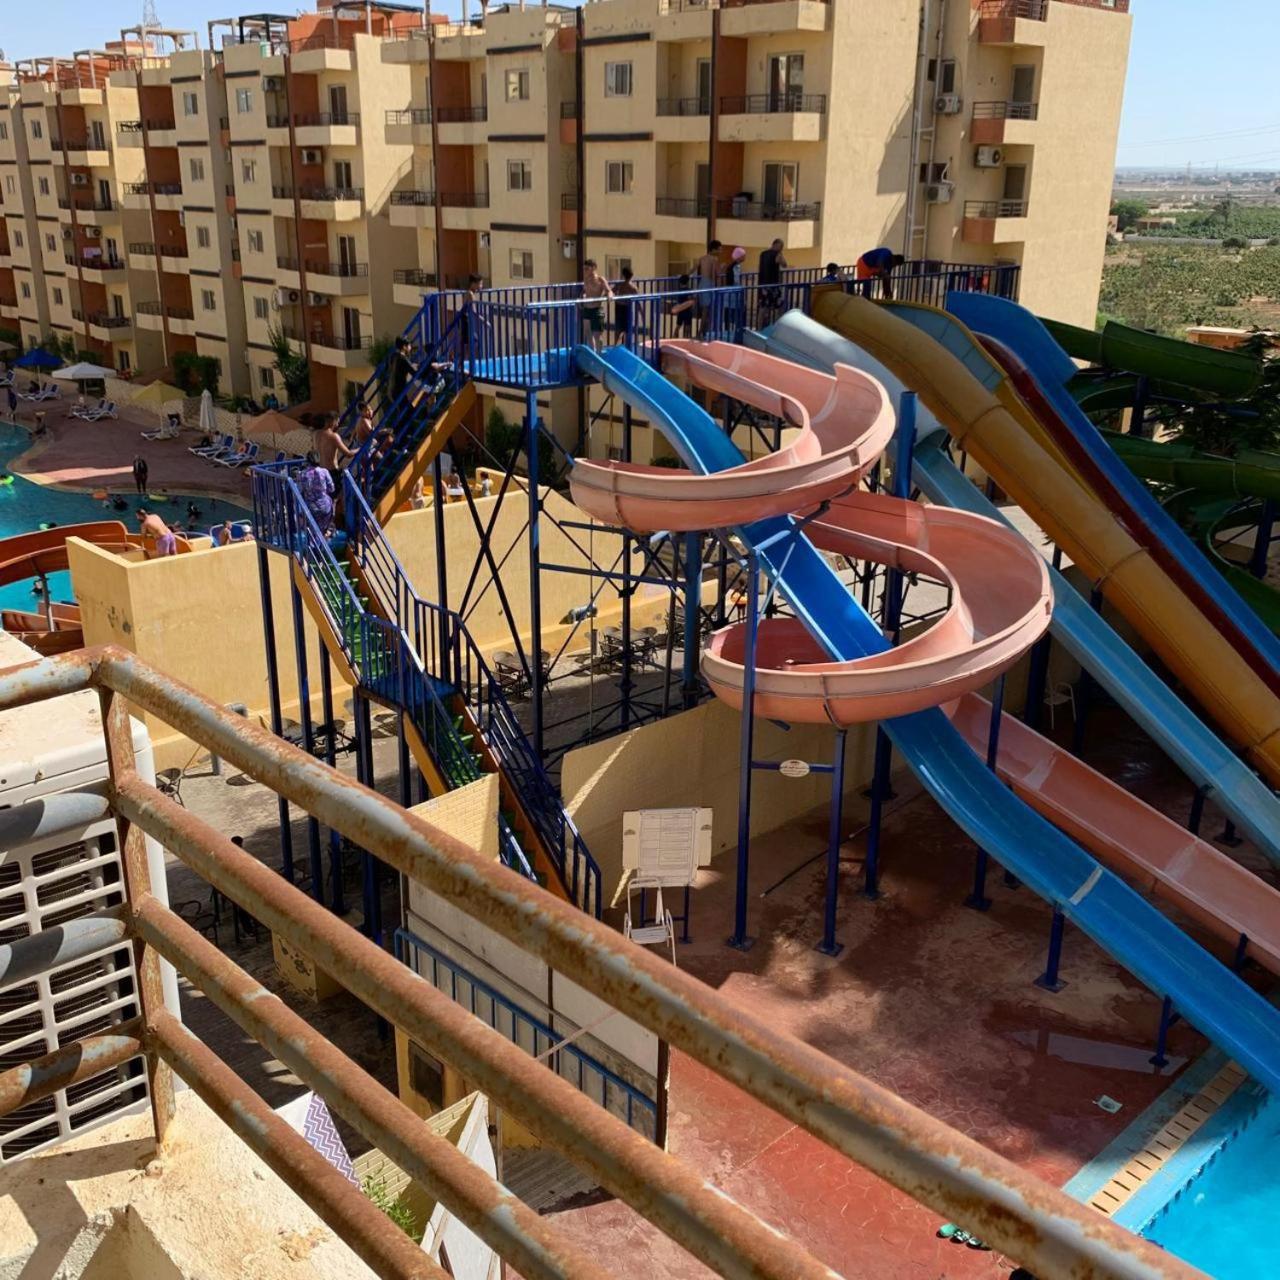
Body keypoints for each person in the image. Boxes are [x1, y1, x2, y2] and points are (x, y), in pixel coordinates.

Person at [297, 451, 336, 535]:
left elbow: (299, 491)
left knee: (311, 528)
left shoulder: (302, 474)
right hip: (325, 507)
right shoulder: (324, 472)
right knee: (322, 528)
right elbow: (332, 489)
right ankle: (325, 534)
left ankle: (314, 538)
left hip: (310, 508)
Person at [315, 413, 355, 490]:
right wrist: (360, 448)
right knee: (340, 493)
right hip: (332, 471)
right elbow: (348, 454)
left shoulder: (317, 434)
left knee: (327, 494)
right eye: (337, 422)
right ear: (333, 421)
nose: (338, 424)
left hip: (321, 471)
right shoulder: (334, 436)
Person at [581, 259, 613, 351]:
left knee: (597, 335)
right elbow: (585, 291)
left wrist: (609, 296)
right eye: (584, 269)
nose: (585, 271)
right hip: (587, 308)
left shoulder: (600, 279)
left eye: (587, 269)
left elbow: (609, 290)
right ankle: (593, 352)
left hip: (596, 309)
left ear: (594, 268)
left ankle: (599, 354)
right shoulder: (586, 279)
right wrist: (582, 297)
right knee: (588, 333)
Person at [757, 238, 787, 324]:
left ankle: (759, 327)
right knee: (779, 305)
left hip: (763, 284)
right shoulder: (777, 254)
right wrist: (781, 254)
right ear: (776, 245)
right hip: (773, 285)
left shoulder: (763, 254)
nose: (781, 248)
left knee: (763, 307)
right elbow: (784, 264)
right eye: (781, 246)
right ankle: (778, 325)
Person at [612, 266, 638, 342]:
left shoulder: (619, 285)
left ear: (623, 275)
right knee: (628, 329)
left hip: (619, 307)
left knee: (618, 329)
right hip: (627, 308)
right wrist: (641, 312)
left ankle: (615, 345)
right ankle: (627, 345)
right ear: (632, 275)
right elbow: (637, 300)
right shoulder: (633, 288)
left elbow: (611, 291)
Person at [668, 274, 697, 338]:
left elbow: (679, 301)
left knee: (678, 325)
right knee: (687, 327)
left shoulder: (680, 291)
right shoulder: (689, 290)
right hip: (688, 311)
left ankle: (674, 337)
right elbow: (690, 300)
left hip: (681, 311)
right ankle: (686, 338)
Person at [389, 335, 416, 404]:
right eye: (409, 345)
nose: (410, 348)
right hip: (399, 391)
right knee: (409, 410)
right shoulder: (403, 359)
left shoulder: (394, 356)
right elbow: (415, 373)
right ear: (404, 347)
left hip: (392, 390)